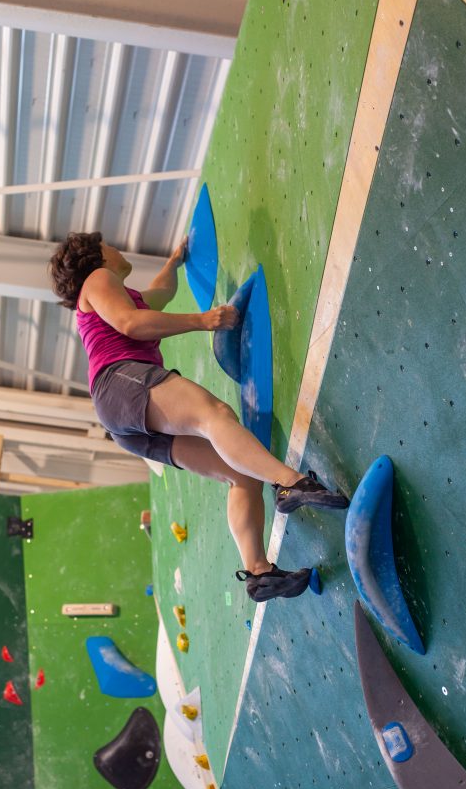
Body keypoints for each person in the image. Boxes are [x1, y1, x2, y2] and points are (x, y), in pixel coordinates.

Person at [47, 231, 349, 602]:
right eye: (108, 244)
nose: (117, 247)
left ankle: (259, 574)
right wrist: (204, 320)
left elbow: (160, 294)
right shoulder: (97, 279)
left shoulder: (119, 294)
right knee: (215, 415)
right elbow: (130, 323)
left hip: (122, 420)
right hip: (120, 384)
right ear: (95, 256)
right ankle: (291, 484)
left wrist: (175, 261)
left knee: (240, 473)